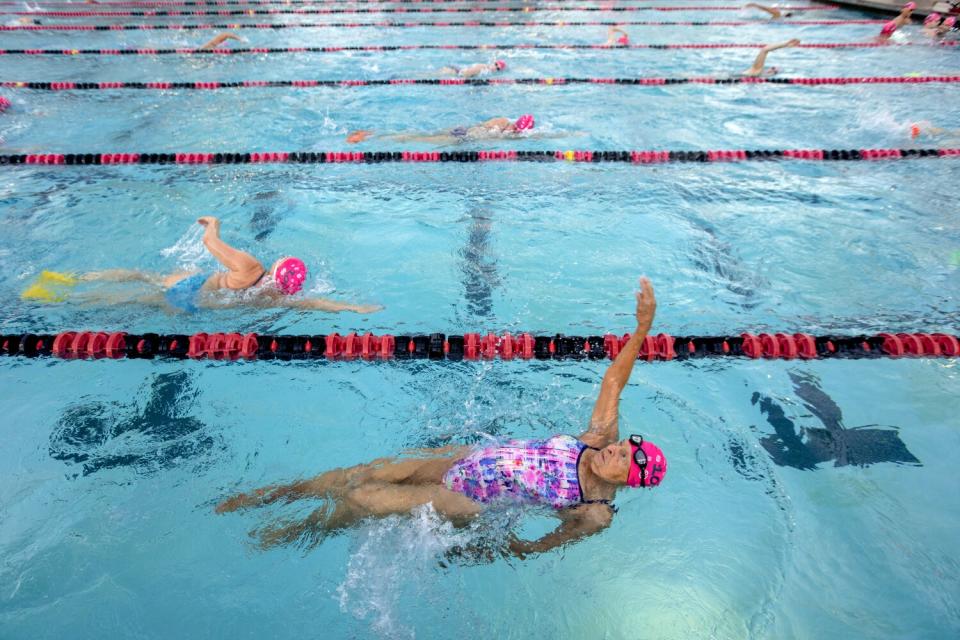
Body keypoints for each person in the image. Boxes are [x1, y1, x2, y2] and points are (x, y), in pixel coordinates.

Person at [216, 278, 667, 555]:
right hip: (463, 457)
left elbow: (541, 546)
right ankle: (270, 497)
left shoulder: (595, 512)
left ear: (630, 481)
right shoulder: (596, 436)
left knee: (364, 499)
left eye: (623, 459)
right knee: (360, 474)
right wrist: (643, 329)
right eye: (623, 447)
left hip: (470, 503)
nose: (614, 449)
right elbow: (613, 381)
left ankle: (296, 532)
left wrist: (490, 547)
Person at [22, 217, 382, 313]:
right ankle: (62, 300)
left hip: (193, 284)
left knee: (141, 276)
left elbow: (209, 244)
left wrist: (213, 224)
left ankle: (70, 280)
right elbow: (318, 304)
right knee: (133, 302)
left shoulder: (250, 266)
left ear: (274, 270)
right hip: (198, 306)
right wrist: (353, 306)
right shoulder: (278, 300)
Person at [346, 114, 537, 146]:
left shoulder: (501, 120)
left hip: (460, 130)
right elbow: (487, 136)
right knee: (415, 139)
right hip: (461, 138)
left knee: (420, 135)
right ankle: (371, 137)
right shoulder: (505, 131)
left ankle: (372, 134)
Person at [439, 59, 507, 78]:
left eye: (498, 69)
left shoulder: (486, 70)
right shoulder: (483, 67)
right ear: (493, 62)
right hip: (454, 70)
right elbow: (465, 74)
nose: (495, 68)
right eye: (496, 64)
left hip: (457, 69)